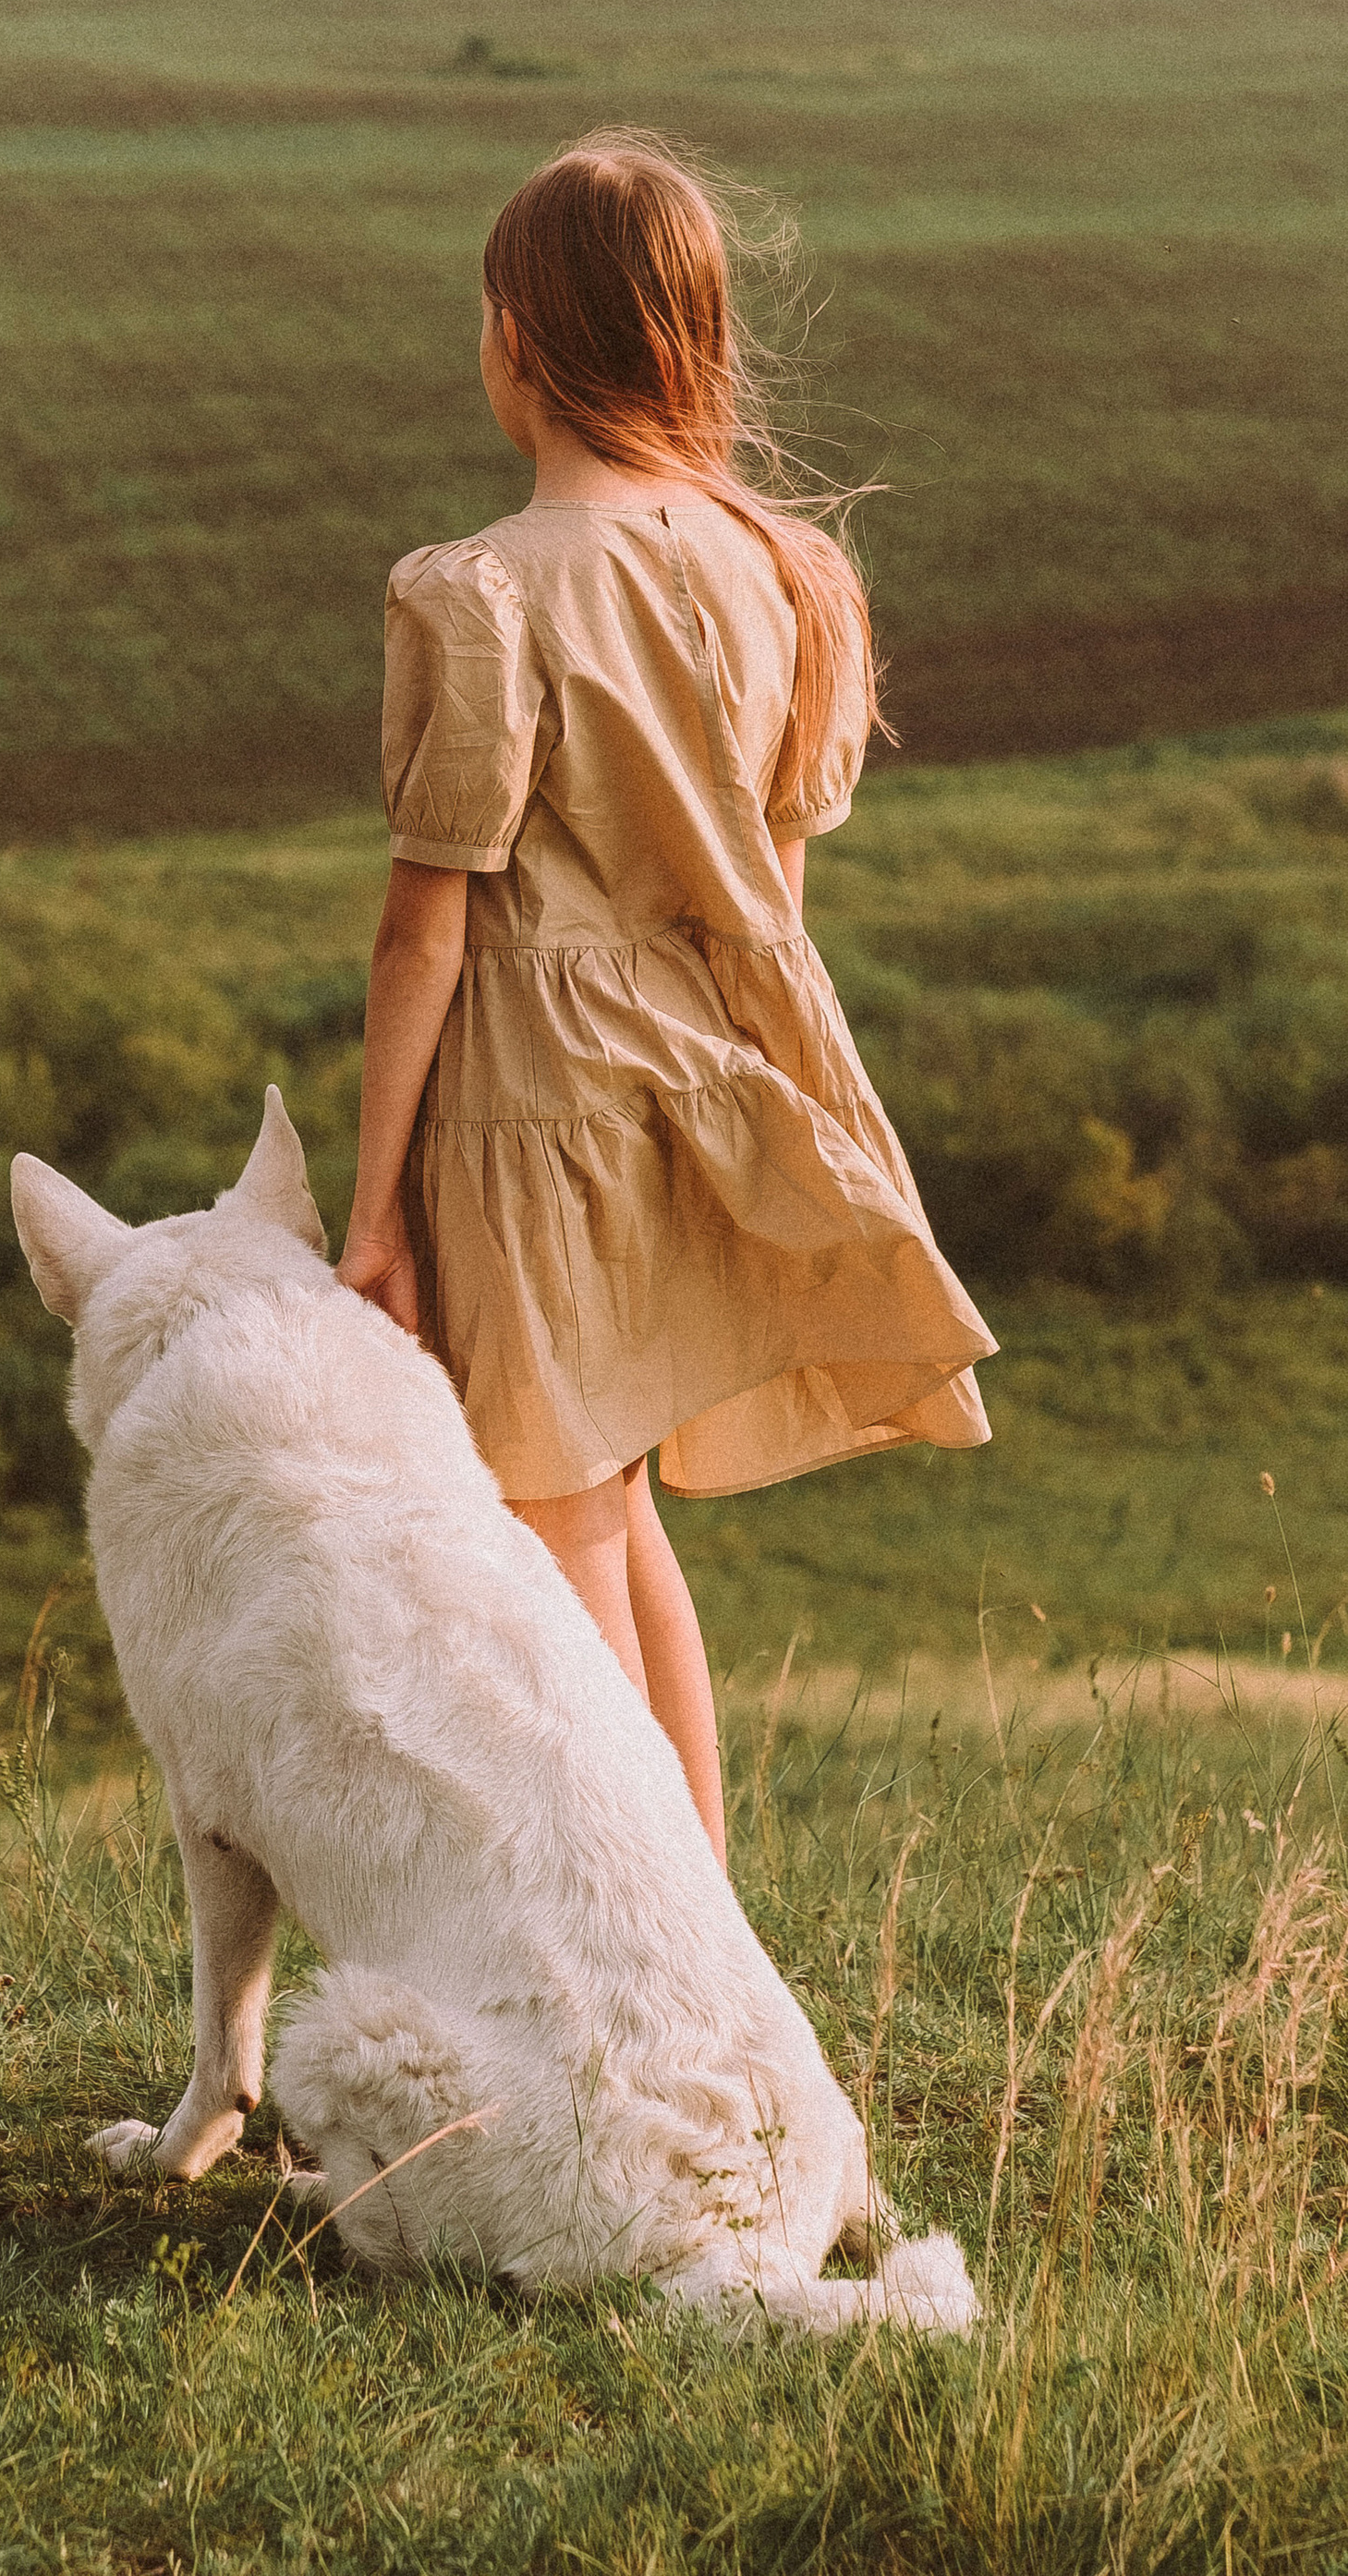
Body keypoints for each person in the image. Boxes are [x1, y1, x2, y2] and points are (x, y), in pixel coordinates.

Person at [334, 133, 991, 1865]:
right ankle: (701, 1951)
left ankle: (642, 2007)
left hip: (530, 1103)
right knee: (610, 1510)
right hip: (706, 1078)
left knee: (550, 1553)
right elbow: (778, 879)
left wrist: (375, 1206)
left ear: (514, 341)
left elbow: (427, 927)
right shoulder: (787, 569)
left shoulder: (476, 591)